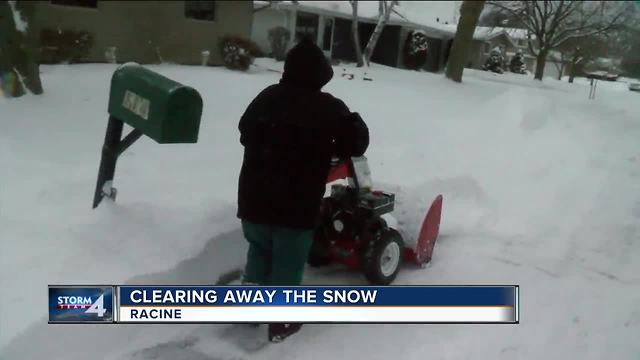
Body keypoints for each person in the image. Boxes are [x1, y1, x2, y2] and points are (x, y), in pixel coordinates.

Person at [236, 37, 369, 342]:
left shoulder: (266, 97)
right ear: (321, 74)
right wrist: (350, 126)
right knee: (287, 263)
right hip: (294, 209)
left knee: (259, 251)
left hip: (253, 203)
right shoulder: (328, 108)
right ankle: (282, 322)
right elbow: (355, 144)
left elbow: (245, 131)